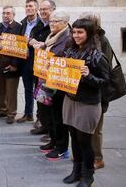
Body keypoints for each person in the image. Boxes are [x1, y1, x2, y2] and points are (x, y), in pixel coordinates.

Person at [62, 19, 109, 187]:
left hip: (88, 104)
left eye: (80, 32)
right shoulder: (71, 51)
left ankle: (88, 175)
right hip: (70, 100)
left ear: (88, 34)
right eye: (74, 32)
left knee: (85, 141)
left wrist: (88, 75)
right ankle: (76, 171)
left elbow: (105, 82)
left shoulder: (97, 55)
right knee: (73, 137)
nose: (76, 35)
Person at [33, 11, 71, 161]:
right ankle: (53, 141)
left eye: (56, 21)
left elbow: (64, 56)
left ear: (65, 22)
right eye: (51, 21)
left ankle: (61, 148)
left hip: (58, 85)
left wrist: (50, 58)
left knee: (59, 117)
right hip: (47, 81)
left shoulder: (67, 38)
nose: (52, 23)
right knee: (50, 114)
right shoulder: (51, 37)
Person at [79, 11, 113, 170]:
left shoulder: (102, 41)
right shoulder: (83, 41)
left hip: (98, 92)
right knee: (83, 128)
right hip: (82, 90)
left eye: (86, 22)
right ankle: (84, 155)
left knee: (96, 128)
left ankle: (98, 158)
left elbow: (105, 72)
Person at [17, 0, 49, 123]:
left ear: (36, 9)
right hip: (25, 61)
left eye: (31, 6)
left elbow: (39, 41)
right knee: (28, 88)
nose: (28, 8)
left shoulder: (42, 24)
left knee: (39, 89)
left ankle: (39, 117)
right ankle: (28, 113)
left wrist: (30, 41)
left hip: (38, 61)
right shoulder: (23, 23)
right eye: (26, 6)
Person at [29, 0, 55, 138]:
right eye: (42, 9)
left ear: (53, 10)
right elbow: (30, 36)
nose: (43, 12)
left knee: (50, 101)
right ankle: (43, 125)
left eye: (46, 9)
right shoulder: (39, 24)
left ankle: (51, 130)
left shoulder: (56, 26)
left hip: (50, 72)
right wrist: (31, 40)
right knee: (40, 98)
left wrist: (43, 45)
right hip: (38, 68)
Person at [0, 6, 22, 124]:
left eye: (8, 13)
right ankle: (2, 109)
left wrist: (15, 65)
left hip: (11, 64)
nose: (5, 15)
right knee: (0, 90)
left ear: (13, 15)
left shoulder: (18, 27)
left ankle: (11, 113)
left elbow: (21, 48)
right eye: (4, 13)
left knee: (11, 91)